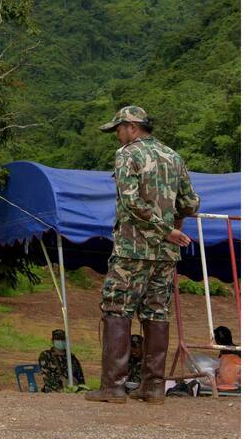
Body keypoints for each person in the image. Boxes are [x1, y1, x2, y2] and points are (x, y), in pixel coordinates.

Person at [85, 105, 199, 405]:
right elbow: (190, 203)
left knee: (117, 309)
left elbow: (131, 202)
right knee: (156, 312)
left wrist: (163, 230)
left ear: (133, 127)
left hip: (132, 250)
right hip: (165, 255)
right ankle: (153, 387)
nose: (117, 136)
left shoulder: (128, 155)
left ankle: (113, 387)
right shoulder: (173, 156)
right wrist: (171, 229)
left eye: (119, 129)